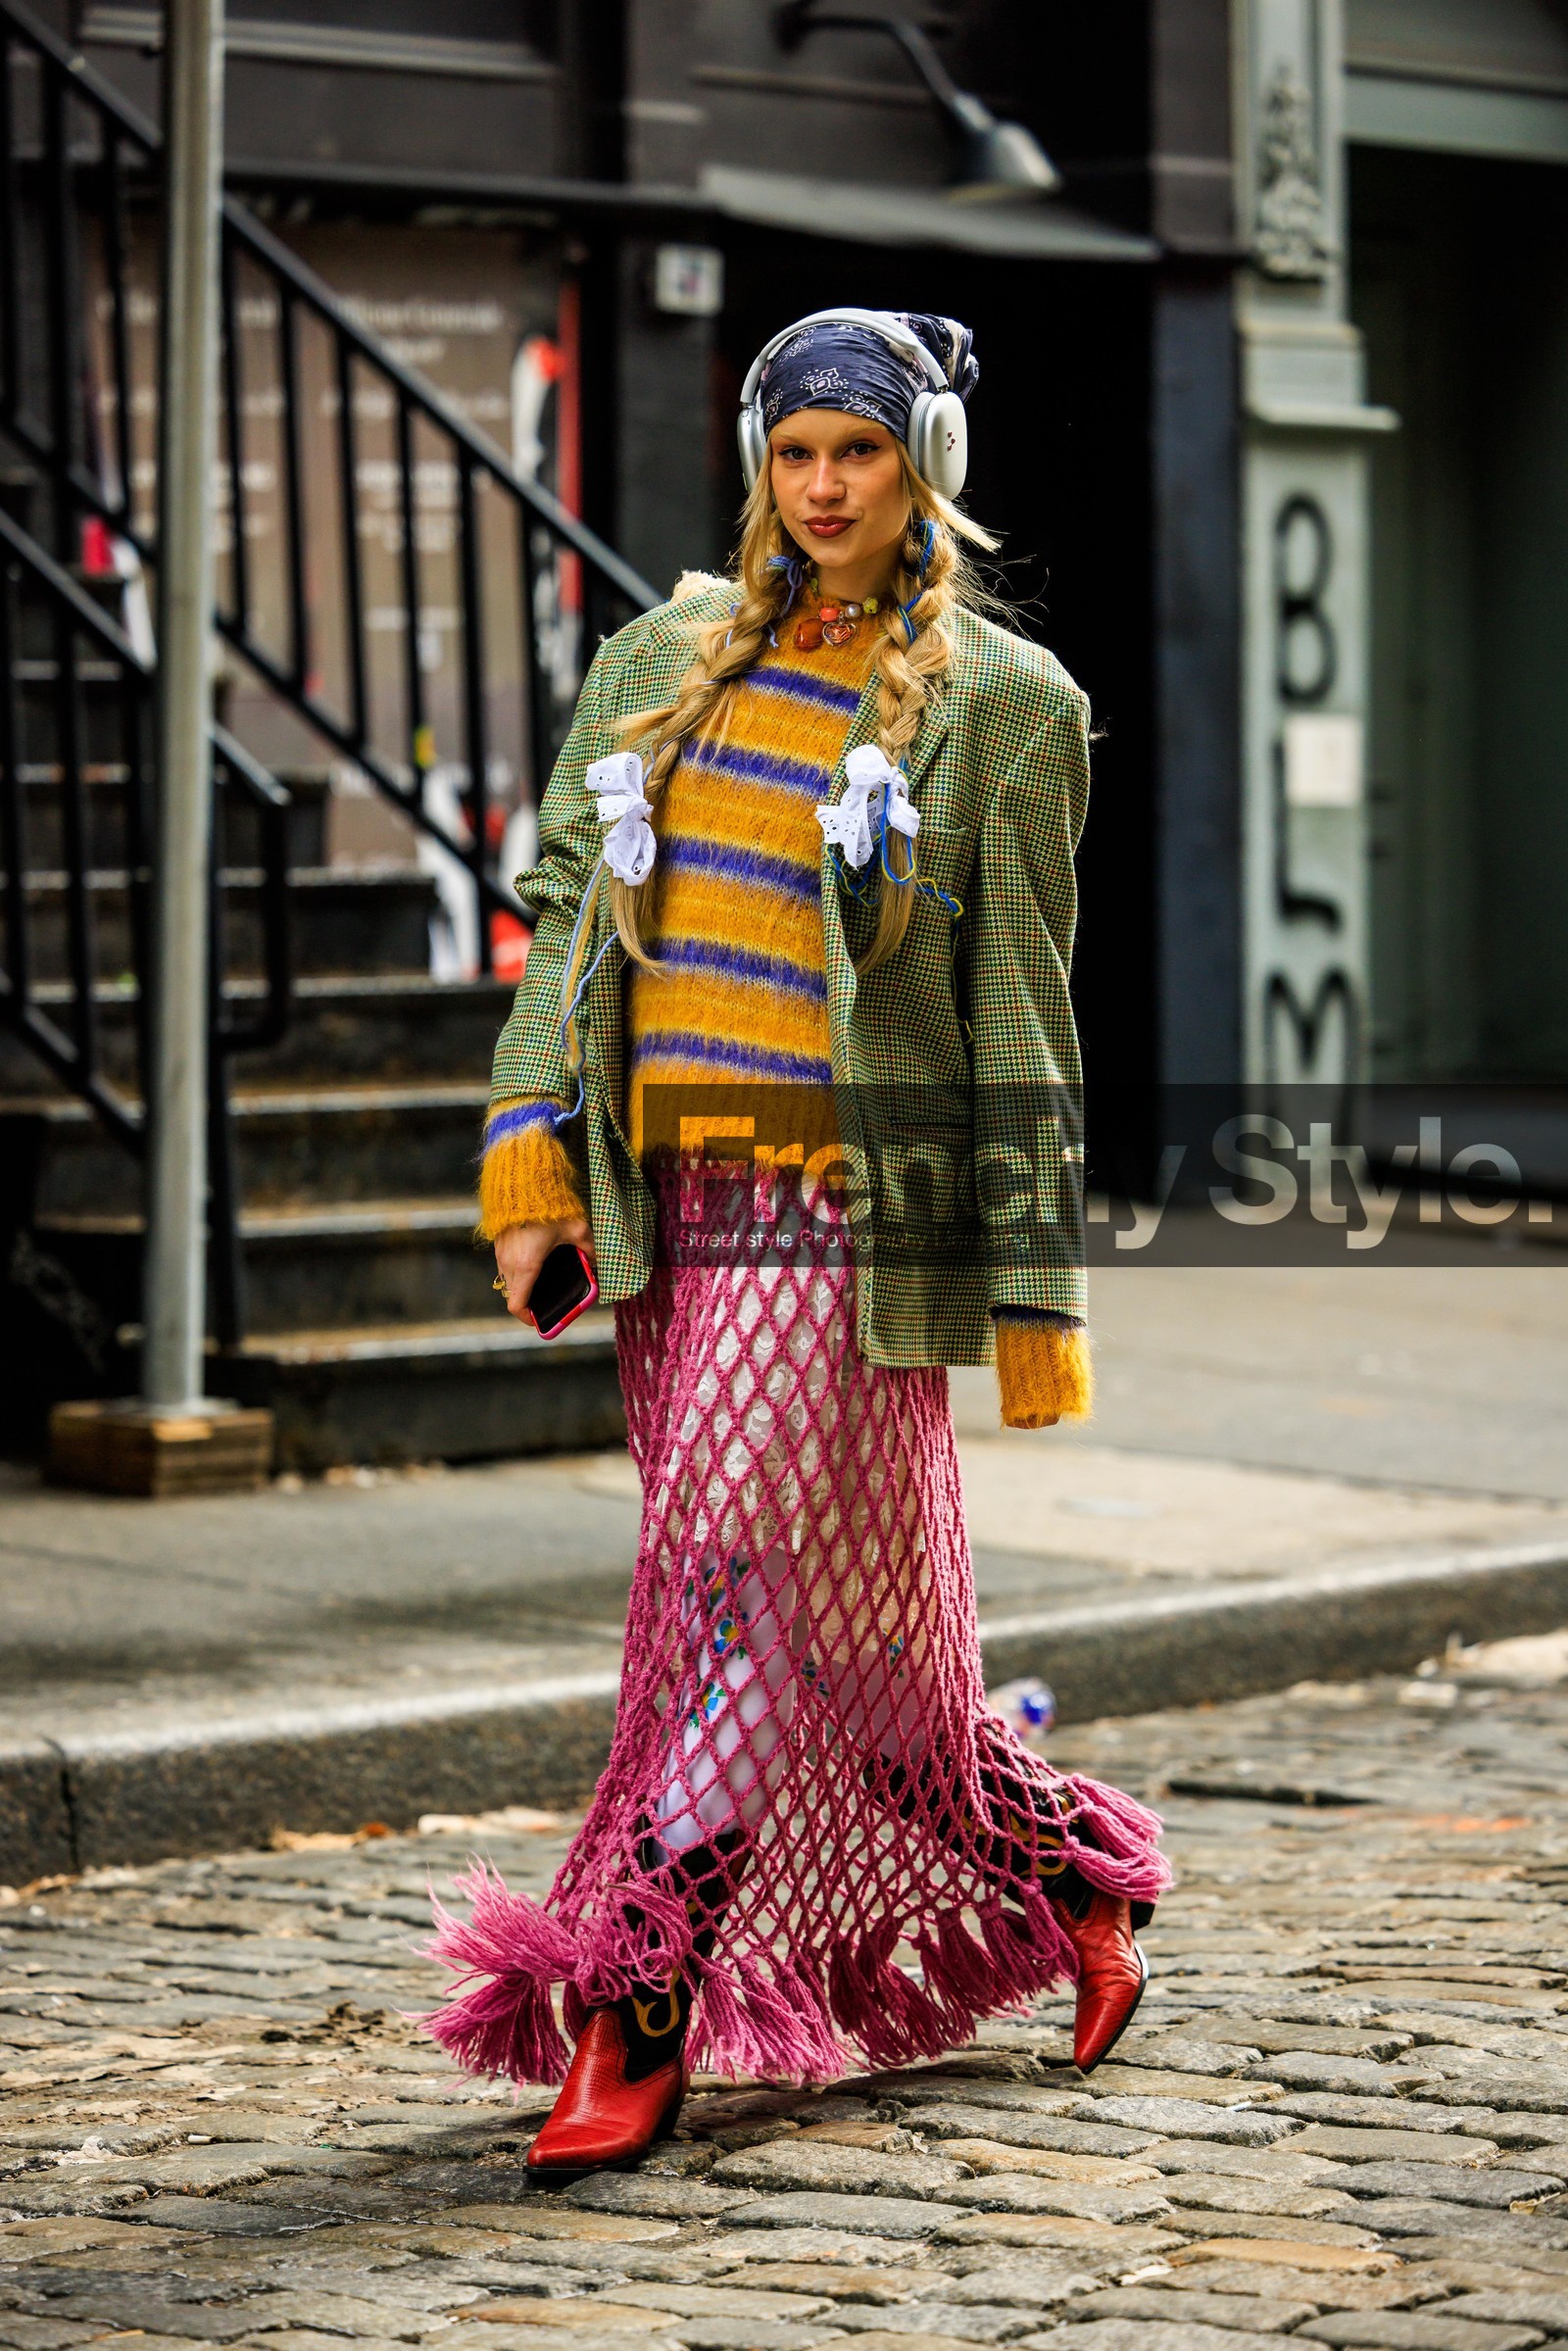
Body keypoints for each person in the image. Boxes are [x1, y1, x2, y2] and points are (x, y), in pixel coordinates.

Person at [426, 309, 1170, 2174]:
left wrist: (1029, 1284)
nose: (827, 487)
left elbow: (1019, 1001)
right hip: (676, 1205)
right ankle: (1072, 1874)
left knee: (723, 1589)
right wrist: (532, 1158)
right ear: (763, 466)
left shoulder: (1005, 703)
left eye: (860, 451)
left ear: (925, 463)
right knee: (843, 1643)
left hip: (839, 1215)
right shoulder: (663, 661)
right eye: (796, 453)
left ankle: (637, 1998)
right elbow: (565, 922)